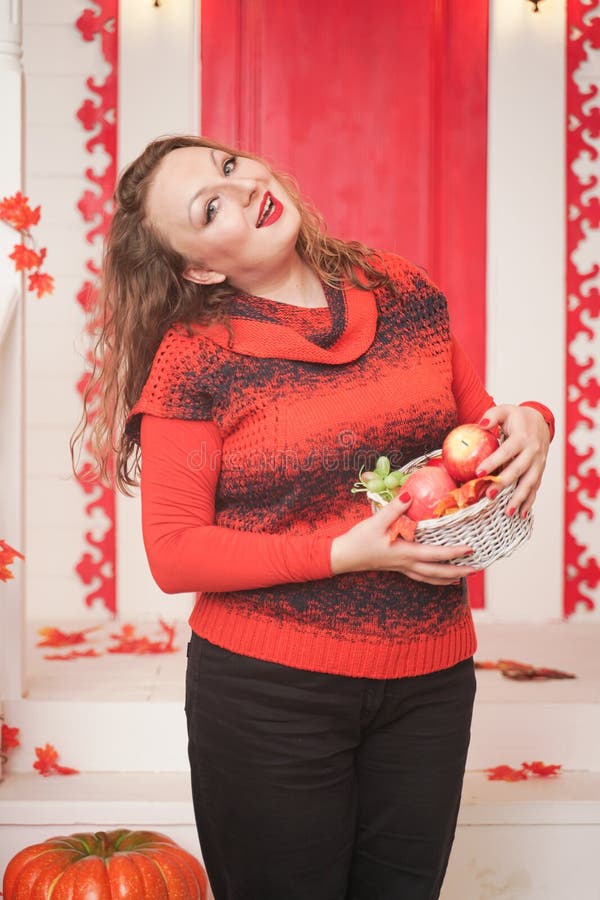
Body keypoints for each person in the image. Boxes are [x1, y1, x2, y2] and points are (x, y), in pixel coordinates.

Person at [77, 134, 553, 900]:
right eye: (209, 207)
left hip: (429, 681)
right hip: (270, 697)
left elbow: (476, 434)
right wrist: (345, 553)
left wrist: (533, 420)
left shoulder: (398, 288)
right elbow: (173, 552)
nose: (243, 190)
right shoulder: (195, 358)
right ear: (200, 267)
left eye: (230, 167)